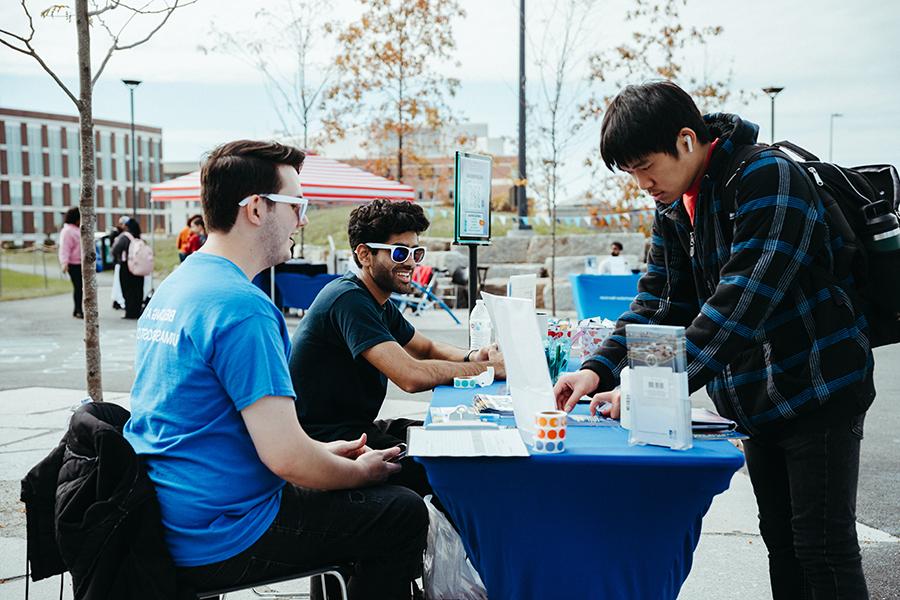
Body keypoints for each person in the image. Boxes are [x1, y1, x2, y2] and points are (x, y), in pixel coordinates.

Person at [554, 81, 873, 599]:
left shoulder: (767, 178)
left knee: (823, 548)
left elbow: (739, 304)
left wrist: (643, 386)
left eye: (644, 166)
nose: (641, 183)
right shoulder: (676, 204)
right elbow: (659, 302)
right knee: (783, 544)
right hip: (753, 400)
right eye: (630, 172)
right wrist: (598, 369)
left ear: (685, 140)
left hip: (819, 386)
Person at [123, 140, 427, 600]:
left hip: (169, 513)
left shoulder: (178, 285)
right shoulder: (244, 308)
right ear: (258, 208)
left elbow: (254, 433)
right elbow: (287, 460)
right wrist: (359, 472)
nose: (302, 220)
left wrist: (327, 453)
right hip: (223, 532)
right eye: (297, 204)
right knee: (400, 512)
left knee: (364, 494)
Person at [288, 198, 505, 503]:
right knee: (453, 467)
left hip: (355, 428)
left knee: (457, 438)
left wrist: (473, 357)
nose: (412, 263)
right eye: (400, 252)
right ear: (364, 254)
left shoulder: (376, 300)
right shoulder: (349, 300)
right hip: (329, 443)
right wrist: (490, 370)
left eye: (417, 252)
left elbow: (425, 347)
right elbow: (411, 376)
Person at [111, 217, 146, 319]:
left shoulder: (124, 237)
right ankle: (137, 310)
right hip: (139, 267)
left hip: (126, 266)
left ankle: (130, 312)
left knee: (127, 290)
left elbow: (114, 250)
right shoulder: (139, 238)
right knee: (138, 289)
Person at [58, 207, 83, 319]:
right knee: (78, 287)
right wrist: (64, 263)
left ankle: (77, 309)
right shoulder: (68, 231)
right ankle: (78, 310)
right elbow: (65, 248)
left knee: (80, 287)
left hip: (81, 263)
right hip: (73, 264)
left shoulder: (77, 230)